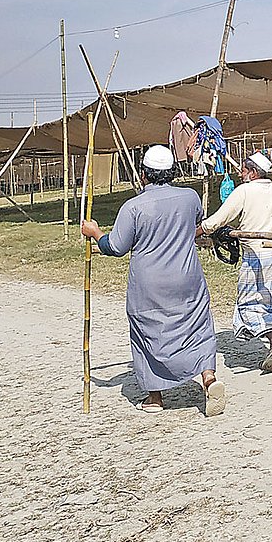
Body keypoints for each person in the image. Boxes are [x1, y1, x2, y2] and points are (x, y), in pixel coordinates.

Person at [81, 145, 226, 417]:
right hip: (187, 277)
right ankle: (208, 378)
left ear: (144, 174)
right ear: (171, 172)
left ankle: (155, 397)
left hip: (149, 285)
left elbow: (115, 246)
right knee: (198, 325)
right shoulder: (190, 197)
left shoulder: (133, 207)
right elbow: (195, 225)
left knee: (148, 333)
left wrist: (94, 232)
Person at [200, 152, 272, 373]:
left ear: (253, 172)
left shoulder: (245, 192)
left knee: (248, 304)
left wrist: (197, 231)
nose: (240, 174)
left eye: (243, 170)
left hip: (254, 257)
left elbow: (218, 220)